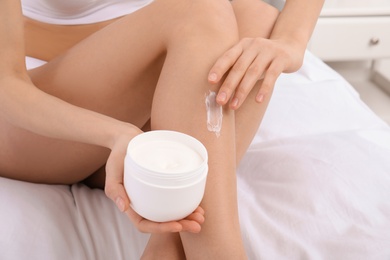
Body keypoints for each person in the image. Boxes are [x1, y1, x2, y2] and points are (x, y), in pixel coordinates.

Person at [0, 0, 324, 258]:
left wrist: (291, 41)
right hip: (32, 114)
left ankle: (168, 242)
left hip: (137, 85)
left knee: (258, 18)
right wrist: (113, 133)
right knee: (199, 9)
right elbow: (7, 86)